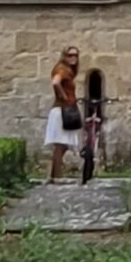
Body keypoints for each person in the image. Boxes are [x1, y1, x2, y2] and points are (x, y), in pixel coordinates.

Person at [45, 45, 82, 180]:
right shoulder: (62, 69)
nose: (73, 58)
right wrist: (64, 96)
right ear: (64, 56)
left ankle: (54, 174)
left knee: (62, 145)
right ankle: (57, 176)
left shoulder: (67, 71)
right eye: (70, 55)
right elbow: (56, 82)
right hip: (62, 110)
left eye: (75, 56)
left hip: (64, 109)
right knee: (60, 145)